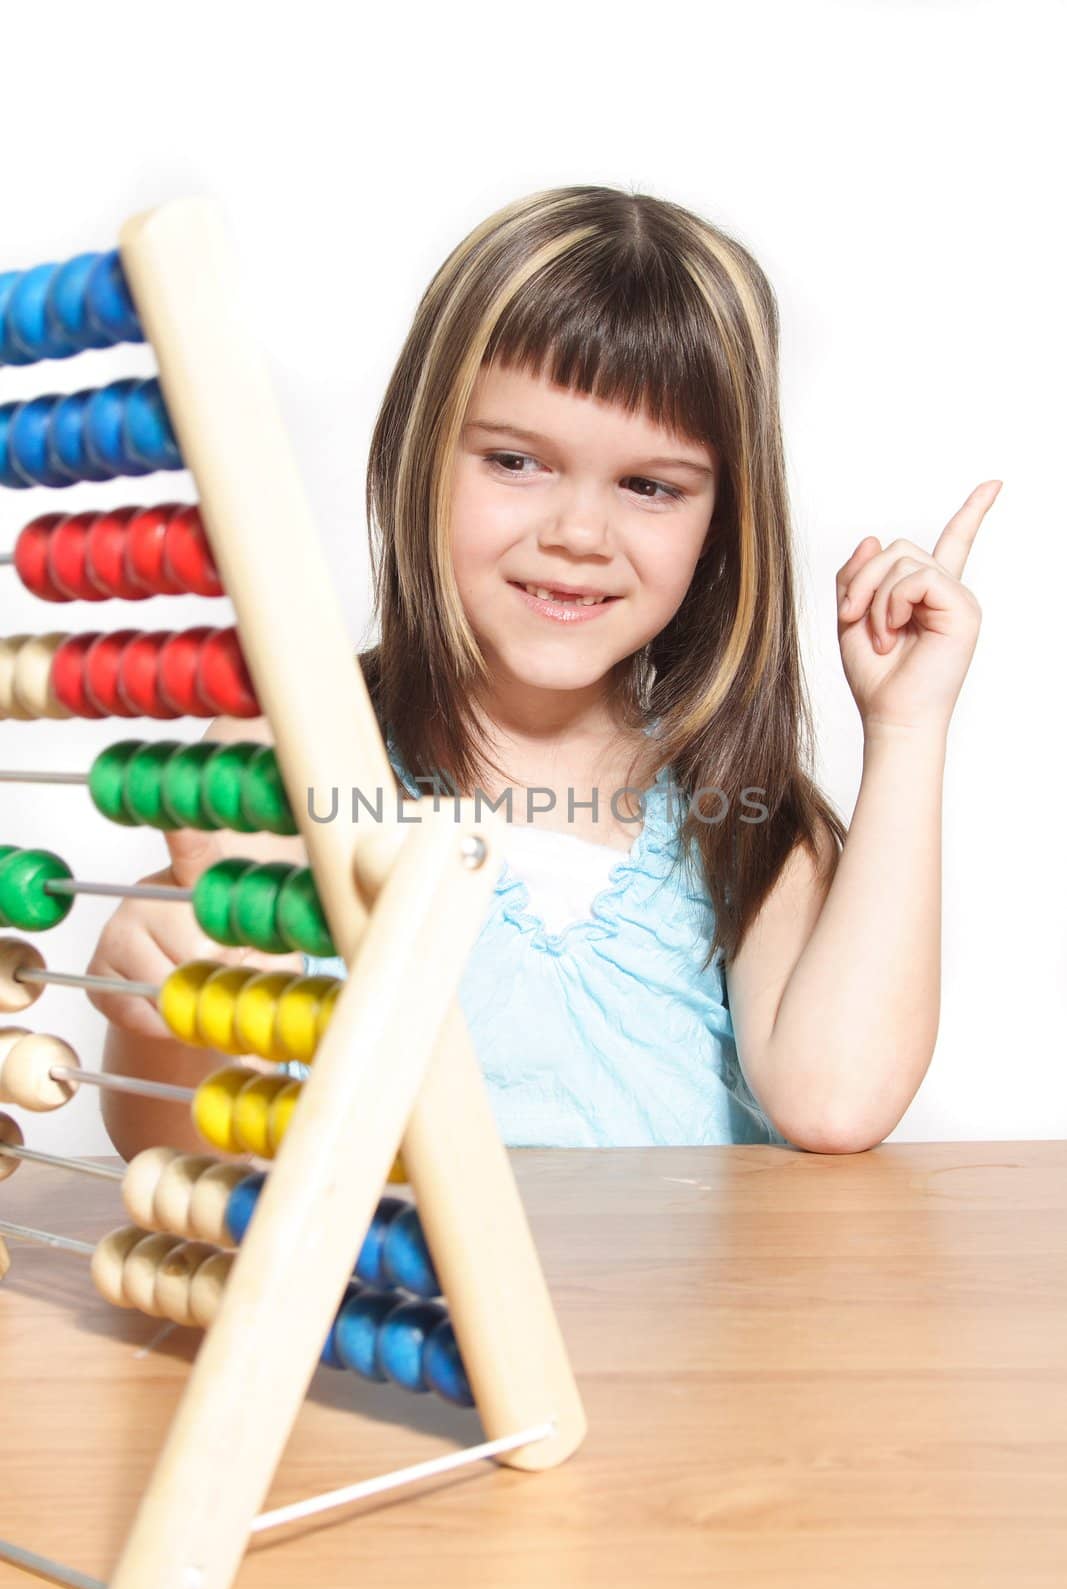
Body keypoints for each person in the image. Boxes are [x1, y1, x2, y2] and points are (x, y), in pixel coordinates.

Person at [91, 184, 1000, 1158]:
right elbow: (181, 1150)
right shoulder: (292, 782)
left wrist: (905, 729)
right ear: (420, 455)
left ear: (720, 523)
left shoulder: (742, 819)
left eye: (649, 486)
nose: (576, 535)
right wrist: (177, 1004)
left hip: (690, 1316)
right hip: (397, 1307)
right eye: (516, 462)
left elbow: (833, 1102)